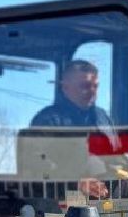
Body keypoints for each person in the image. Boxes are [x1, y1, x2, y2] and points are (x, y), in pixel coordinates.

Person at [28, 59, 117, 200]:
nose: (92, 91)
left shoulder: (103, 118)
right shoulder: (48, 120)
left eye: (95, 86)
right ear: (65, 87)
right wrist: (76, 182)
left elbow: (115, 155)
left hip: (105, 204)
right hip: (60, 207)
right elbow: (35, 164)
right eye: (85, 86)